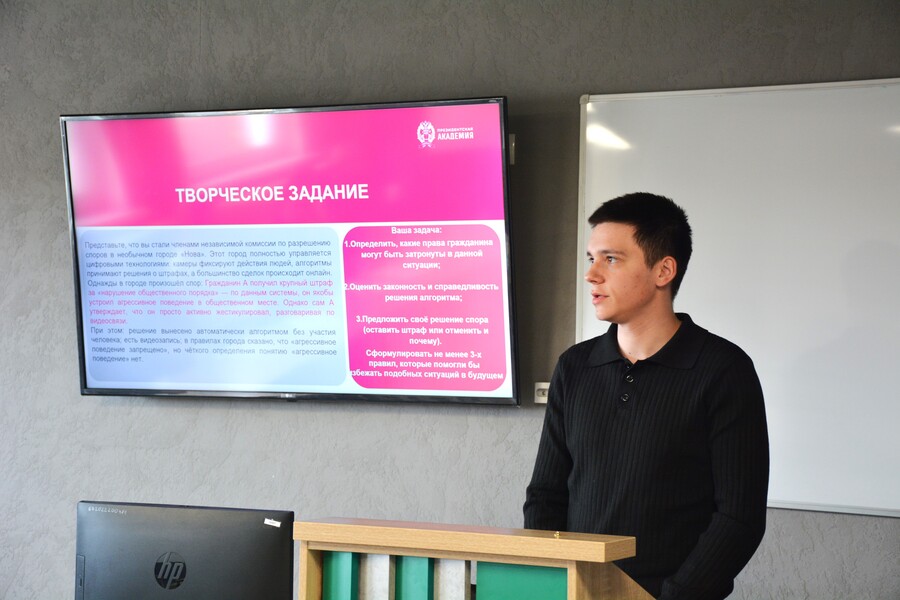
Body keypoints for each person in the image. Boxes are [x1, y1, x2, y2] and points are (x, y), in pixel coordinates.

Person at [523, 192, 769, 600]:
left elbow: (738, 517)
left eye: (611, 259)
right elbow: (546, 496)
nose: (591, 274)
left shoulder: (724, 370)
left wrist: (673, 596)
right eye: (591, 258)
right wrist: (552, 585)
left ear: (663, 270)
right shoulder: (574, 367)